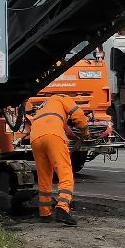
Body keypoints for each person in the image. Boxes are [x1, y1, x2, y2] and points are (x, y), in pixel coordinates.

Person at [26, 96, 85, 226]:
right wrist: (85, 131)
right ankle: (62, 207)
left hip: (35, 138)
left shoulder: (45, 106)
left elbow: (54, 121)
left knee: (44, 176)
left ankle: (44, 212)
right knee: (65, 173)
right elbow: (78, 115)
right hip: (53, 135)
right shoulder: (63, 98)